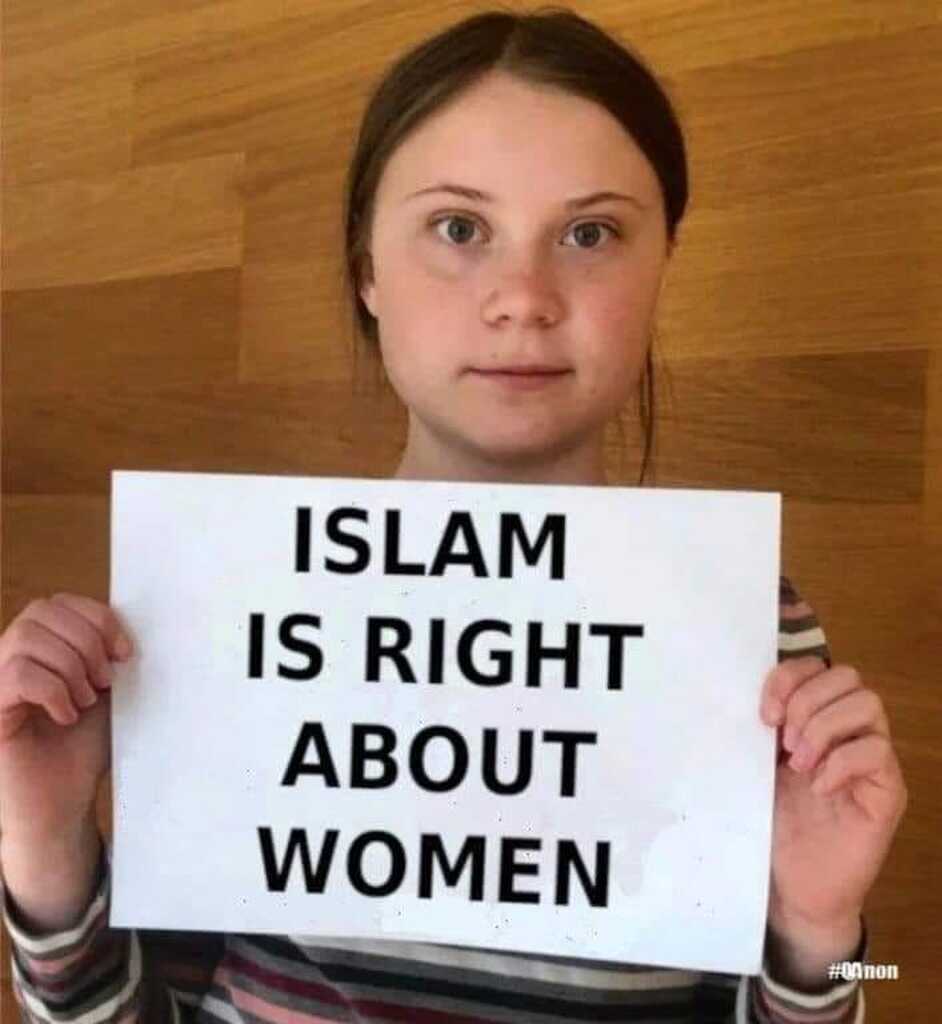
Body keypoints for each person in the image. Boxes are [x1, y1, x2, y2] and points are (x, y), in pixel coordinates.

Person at [1, 7, 907, 1023]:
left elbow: (846, 985)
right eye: (459, 228)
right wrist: (46, 850)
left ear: (663, 264)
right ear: (366, 268)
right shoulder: (224, 605)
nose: (524, 297)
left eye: (591, 233)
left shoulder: (752, 641)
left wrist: (818, 935)